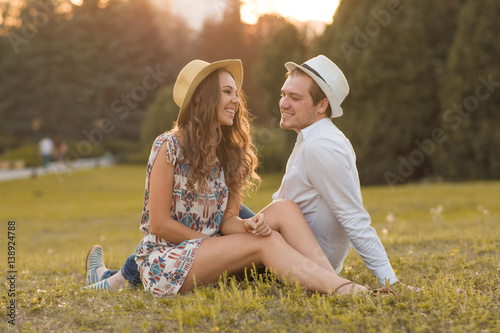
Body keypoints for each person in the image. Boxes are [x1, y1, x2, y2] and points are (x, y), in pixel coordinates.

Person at [84, 58, 367, 296]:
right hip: (167, 258)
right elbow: (158, 224)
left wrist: (248, 225)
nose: (236, 100)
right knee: (264, 243)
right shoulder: (167, 146)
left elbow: (228, 220)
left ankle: (333, 282)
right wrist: (212, 243)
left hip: (210, 253)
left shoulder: (230, 152)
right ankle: (344, 291)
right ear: (205, 97)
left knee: (281, 213)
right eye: (227, 92)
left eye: (235, 93)